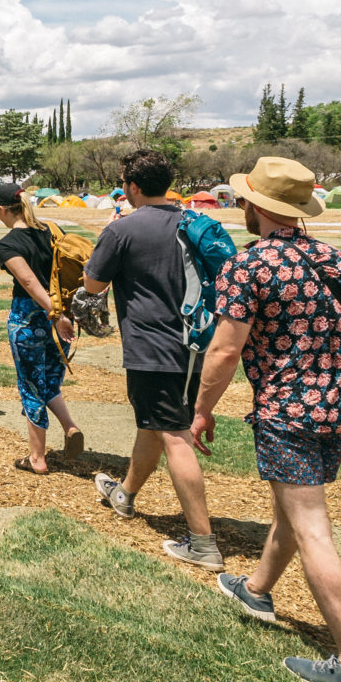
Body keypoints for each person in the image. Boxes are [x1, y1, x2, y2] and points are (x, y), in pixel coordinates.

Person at [198, 157, 341, 682]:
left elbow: (226, 349)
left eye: (243, 201)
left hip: (288, 412)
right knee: (294, 504)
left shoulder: (248, 267)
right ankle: (257, 590)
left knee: (311, 527)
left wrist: (202, 409)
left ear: (257, 207)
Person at [81, 148, 221, 571]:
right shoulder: (191, 223)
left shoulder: (122, 229)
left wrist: (108, 236)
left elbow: (93, 282)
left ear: (132, 186)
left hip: (152, 347)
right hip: (194, 343)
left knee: (175, 435)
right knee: (154, 423)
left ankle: (203, 542)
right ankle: (125, 494)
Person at [0, 183, 85, 473]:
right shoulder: (51, 231)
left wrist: (53, 314)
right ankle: (69, 427)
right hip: (62, 318)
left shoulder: (9, 243)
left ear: (3, 209)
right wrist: (61, 314)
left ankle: (37, 459)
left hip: (30, 320)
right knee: (50, 381)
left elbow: (29, 283)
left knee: (31, 385)